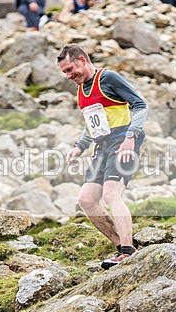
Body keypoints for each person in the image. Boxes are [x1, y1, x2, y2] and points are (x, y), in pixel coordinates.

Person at [58, 45, 148, 269]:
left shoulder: (108, 78)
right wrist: (79, 147)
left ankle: (127, 251)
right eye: (65, 73)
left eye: (70, 69)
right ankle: (122, 246)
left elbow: (140, 105)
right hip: (102, 147)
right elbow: (92, 125)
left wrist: (131, 137)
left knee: (111, 195)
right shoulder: (81, 90)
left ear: (81, 60)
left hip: (122, 142)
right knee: (86, 200)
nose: (69, 76)